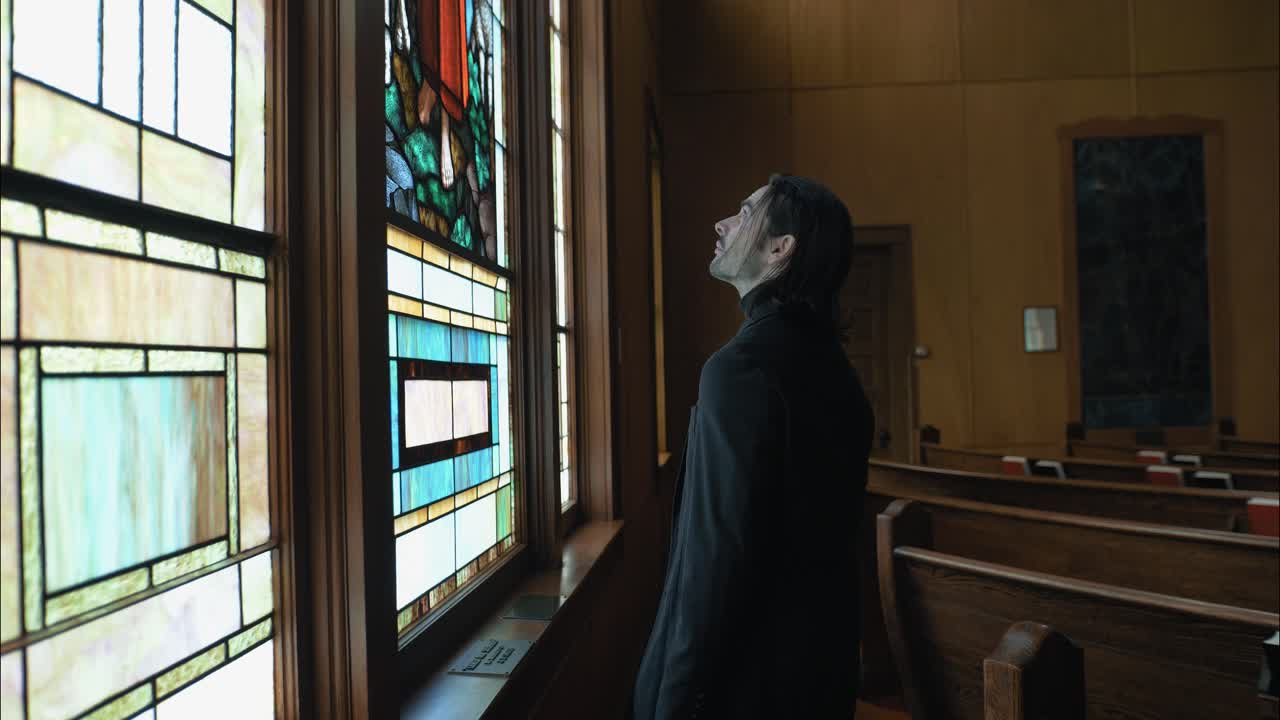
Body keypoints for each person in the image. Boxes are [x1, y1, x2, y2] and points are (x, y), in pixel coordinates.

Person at [631, 175, 876, 719]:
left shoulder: (740, 368)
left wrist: (670, 700)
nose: (722, 224)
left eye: (743, 213)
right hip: (818, 676)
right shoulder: (836, 370)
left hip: (747, 689)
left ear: (779, 248)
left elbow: (715, 557)